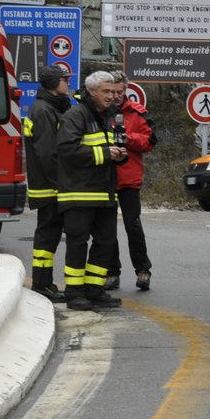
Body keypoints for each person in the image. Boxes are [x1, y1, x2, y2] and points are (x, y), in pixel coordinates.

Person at [56, 70, 127, 310]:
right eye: (106, 91)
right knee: (78, 243)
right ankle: (74, 293)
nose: (111, 96)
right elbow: (67, 151)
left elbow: (113, 148)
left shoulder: (108, 116)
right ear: (91, 91)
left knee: (106, 242)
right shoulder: (75, 116)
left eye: (113, 92)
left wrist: (119, 155)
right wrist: (106, 154)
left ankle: (94, 290)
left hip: (105, 192)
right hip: (79, 193)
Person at [22, 65, 72, 302]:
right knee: (47, 236)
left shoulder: (49, 107)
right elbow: (48, 153)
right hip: (50, 186)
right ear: (53, 83)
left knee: (49, 235)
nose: (68, 83)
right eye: (64, 79)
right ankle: (41, 283)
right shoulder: (43, 111)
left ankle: (44, 282)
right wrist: (62, 184)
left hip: (51, 184)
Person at [104, 70, 154, 293]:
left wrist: (127, 138)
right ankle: (112, 273)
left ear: (126, 90)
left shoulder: (137, 113)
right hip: (103, 178)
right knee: (106, 229)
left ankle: (143, 270)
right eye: (111, 91)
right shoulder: (98, 112)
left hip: (129, 179)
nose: (115, 95)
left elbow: (151, 140)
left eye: (119, 91)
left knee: (133, 227)